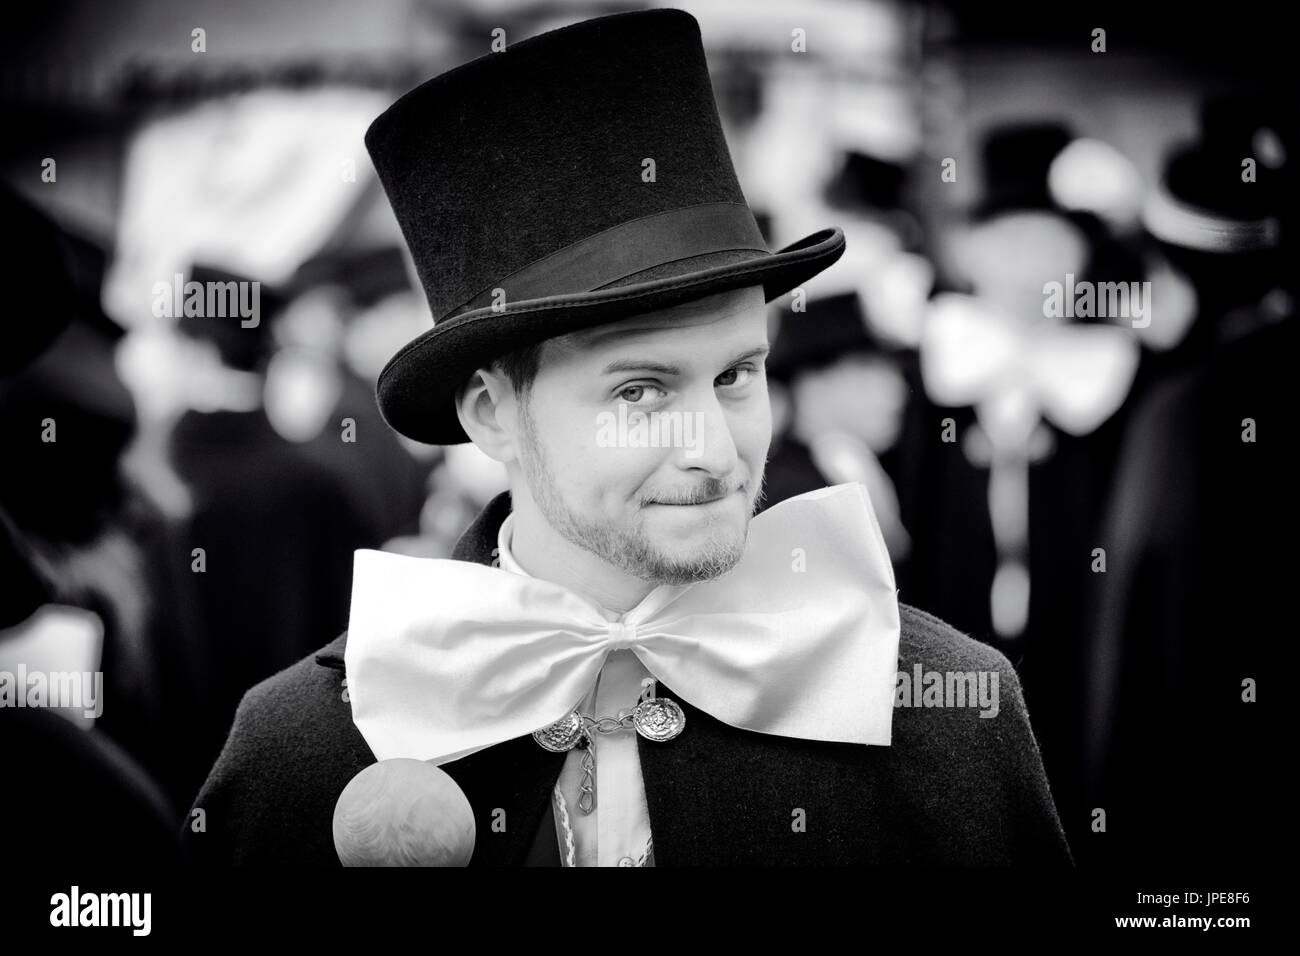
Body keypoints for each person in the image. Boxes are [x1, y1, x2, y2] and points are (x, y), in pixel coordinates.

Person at [184, 8, 1070, 867]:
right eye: (641, 390)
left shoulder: (942, 716)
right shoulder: (309, 747)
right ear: (492, 414)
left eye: (736, 375)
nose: (718, 453)